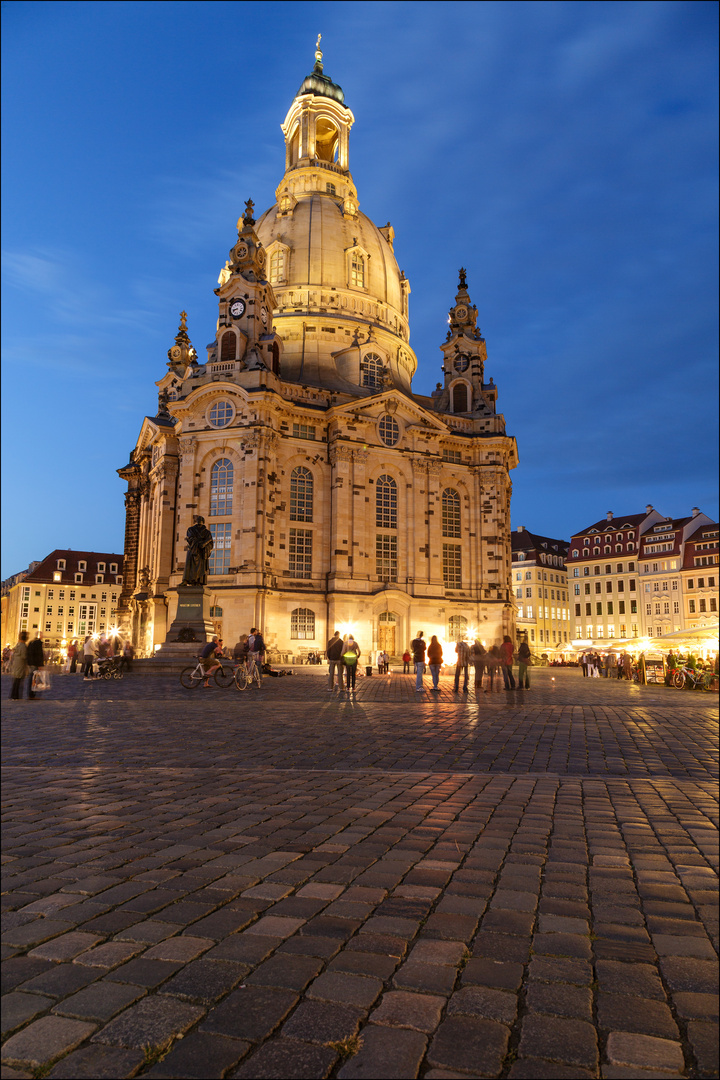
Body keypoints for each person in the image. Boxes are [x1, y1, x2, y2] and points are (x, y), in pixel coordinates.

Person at [181, 516, 214, 585]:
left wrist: (204, 545)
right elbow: (190, 538)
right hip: (193, 550)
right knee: (189, 566)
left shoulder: (207, 532)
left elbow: (210, 544)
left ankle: (199, 581)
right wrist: (200, 543)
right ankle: (186, 580)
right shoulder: (191, 529)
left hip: (202, 552)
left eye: (201, 522)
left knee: (200, 568)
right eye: (198, 522)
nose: (199, 524)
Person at [9, 632, 29, 699]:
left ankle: (13, 695)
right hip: (20, 664)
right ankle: (15, 696)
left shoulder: (18, 645)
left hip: (16, 664)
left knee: (16, 680)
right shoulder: (23, 646)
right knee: (17, 681)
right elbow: (24, 656)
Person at [26, 634, 45, 700]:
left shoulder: (31, 643)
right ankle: (32, 695)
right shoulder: (38, 644)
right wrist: (40, 665)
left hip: (31, 663)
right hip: (35, 664)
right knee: (34, 679)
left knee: (32, 679)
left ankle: (31, 694)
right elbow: (39, 655)